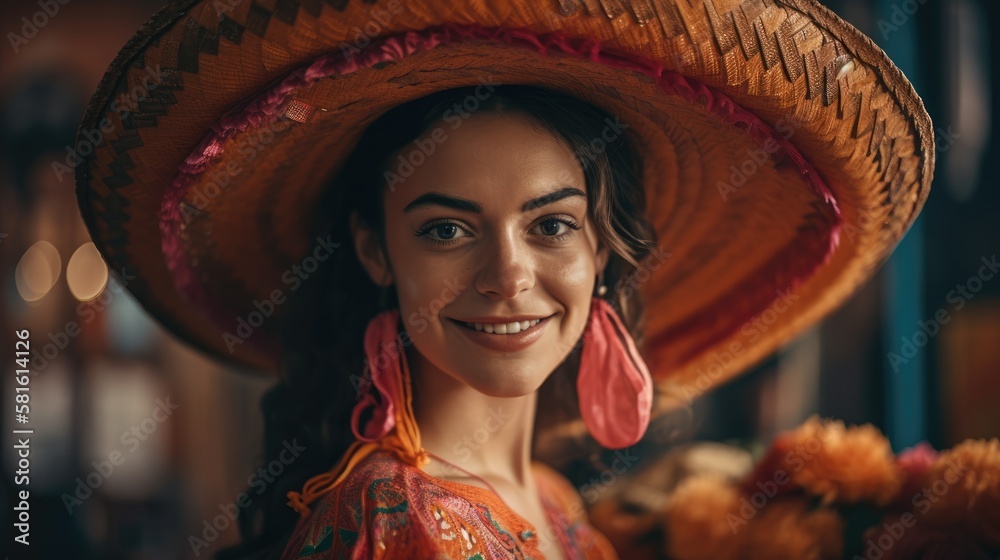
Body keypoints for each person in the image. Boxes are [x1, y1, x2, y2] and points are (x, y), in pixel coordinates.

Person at [73, 1, 934, 559]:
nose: (508, 275)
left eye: (552, 224)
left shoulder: (559, 506)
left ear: (603, 251)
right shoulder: (388, 520)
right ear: (377, 252)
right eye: (447, 229)